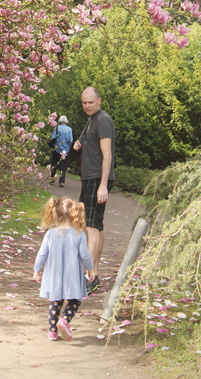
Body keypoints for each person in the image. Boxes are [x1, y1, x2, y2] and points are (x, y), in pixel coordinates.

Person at [32, 197, 95, 342]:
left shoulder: (50, 234)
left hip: (54, 275)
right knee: (75, 300)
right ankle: (65, 320)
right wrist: (90, 269)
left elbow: (42, 253)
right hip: (72, 276)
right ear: (73, 215)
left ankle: (52, 332)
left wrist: (37, 270)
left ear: (55, 215)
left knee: (55, 302)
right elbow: (85, 255)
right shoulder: (79, 234)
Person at [73, 87, 115, 295]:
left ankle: (90, 276)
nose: (87, 106)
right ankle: (94, 276)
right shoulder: (92, 120)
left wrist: (103, 185)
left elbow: (107, 155)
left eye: (90, 102)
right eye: (84, 102)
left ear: (99, 100)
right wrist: (81, 145)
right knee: (96, 227)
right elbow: (96, 148)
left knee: (90, 227)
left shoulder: (103, 120)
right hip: (90, 178)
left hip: (97, 179)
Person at [49, 115, 73, 187]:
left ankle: (52, 179)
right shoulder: (69, 129)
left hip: (57, 148)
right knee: (63, 166)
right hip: (65, 150)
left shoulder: (57, 128)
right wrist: (68, 147)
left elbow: (52, 137)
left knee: (54, 164)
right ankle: (61, 182)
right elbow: (71, 140)